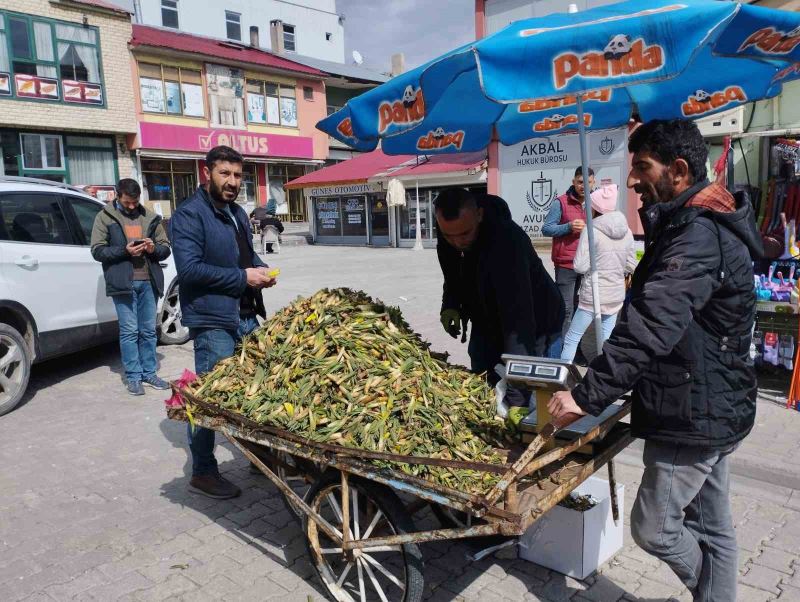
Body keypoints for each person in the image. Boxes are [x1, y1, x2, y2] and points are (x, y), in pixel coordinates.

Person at [548, 119, 762, 602]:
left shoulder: (698, 235)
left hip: (694, 409)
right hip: (713, 400)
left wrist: (586, 395)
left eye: (641, 167)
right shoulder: (692, 221)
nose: (630, 180)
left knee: (654, 526)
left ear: (679, 170)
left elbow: (650, 324)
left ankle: (710, 591)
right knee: (714, 525)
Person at [171, 146, 277, 499]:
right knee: (211, 401)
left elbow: (244, 255)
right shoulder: (189, 215)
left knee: (258, 389)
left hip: (246, 315)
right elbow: (189, 270)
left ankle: (258, 454)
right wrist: (242, 277)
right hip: (214, 320)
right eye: (225, 174)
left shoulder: (237, 213)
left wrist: (260, 269)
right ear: (208, 174)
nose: (232, 182)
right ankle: (202, 471)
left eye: (237, 175)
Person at [436, 189, 565, 404]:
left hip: (536, 325)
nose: (457, 242)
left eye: (465, 234)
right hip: (486, 320)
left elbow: (519, 323)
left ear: (479, 214)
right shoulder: (449, 230)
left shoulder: (507, 243)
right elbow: (452, 273)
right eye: (449, 236)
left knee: (536, 400)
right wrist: (450, 304)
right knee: (483, 382)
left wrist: (517, 398)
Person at [90, 178, 171, 396]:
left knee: (148, 331)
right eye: (128, 202)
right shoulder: (104, 217)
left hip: (149, 282)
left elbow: (165, 248)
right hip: (123, 283)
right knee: (129, 331)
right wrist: (125, 251)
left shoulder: (151, 218)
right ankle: (134, 377)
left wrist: (153, 249)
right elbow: (97, 251)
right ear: (117, 196)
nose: (132, 206)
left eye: (135, 202)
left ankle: (149, 373)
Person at [560, 184, 637, 363]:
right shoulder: (627, 231)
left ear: (595, 208)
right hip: (615, 294)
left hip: (592, 295)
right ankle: (601, 382)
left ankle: (562, 383)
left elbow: (579, 266)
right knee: (605, 340)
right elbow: (631, 265)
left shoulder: (591, 230)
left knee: (572, 338)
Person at [542, 167, 594, 338]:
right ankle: (561, 348)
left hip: (587, 263)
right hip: (566, 264)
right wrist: (568, 227)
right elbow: (546, 229)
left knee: (583, 307)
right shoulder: (561, 202)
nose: (583, 186)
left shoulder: (595, 203)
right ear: (573, 182)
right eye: (580, 182)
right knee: (565, 308)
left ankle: (574, 344)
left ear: (593, 183)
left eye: (588, 182)